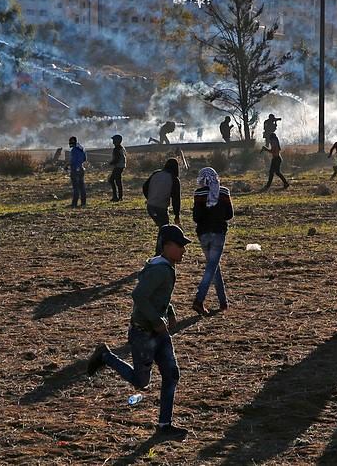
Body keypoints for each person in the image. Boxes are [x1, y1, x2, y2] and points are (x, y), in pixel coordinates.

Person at [86, 224, 191, 440]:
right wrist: (156, 319)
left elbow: (157, 296)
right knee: (141, 382)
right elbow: (139, 295)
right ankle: (105, 356)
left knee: (171, 374)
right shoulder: (160, 269)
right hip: (144, 333)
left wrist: (169, 312)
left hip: (156, 332)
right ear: (167, 246)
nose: (184, 250)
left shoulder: (163, 265)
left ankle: (164, 425)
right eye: (180, 245)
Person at [192, 167, 233, 315]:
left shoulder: (198, 193)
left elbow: (196, 217)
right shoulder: (224, 192)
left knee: (213, 266)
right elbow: (229, 215)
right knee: (212, 266)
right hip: (219, 233)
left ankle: (223, 302)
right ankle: (199, 300)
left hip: (203, 234)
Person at [143, 159, 181, 231]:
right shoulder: (174, 179)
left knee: (162, 226)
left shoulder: (156, 173)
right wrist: (177, 215)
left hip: (150, 207)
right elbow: (176, 199)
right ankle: (162, 238)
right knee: (165, 228)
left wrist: (149, 198)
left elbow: (145, 187)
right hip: (161, 208)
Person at [68, 136, 87, 208]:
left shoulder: (74, 150)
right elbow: (85, 159)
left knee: (76, 187)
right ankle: (83, 203)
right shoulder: (81, 149)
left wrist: (67, 166)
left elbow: (73, 161)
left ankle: (74, 204)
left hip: (75, 170)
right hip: (81, 169)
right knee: (82, 187)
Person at [108, 135, 126, 202]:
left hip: (118, 166)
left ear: (116, 141)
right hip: (121, 166)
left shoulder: (116, 149)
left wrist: (110, 163)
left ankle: (116, 197)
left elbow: (116, 159)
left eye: (113, 140)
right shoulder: (121, 148)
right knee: (117, 181)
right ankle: (119, 196)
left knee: (113, 180)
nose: (113, 142)